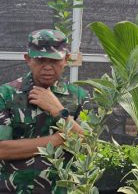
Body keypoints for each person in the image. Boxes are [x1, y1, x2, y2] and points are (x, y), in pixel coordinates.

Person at [0, 29, 86, 193]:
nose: (47, 67)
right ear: (28, 59)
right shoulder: (6, 95)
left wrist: (59, 111)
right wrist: (57, 140)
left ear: (66, 59)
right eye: (40, 60)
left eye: (54, 61)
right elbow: (2, 149)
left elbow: (89, 145)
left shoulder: (79, 97)